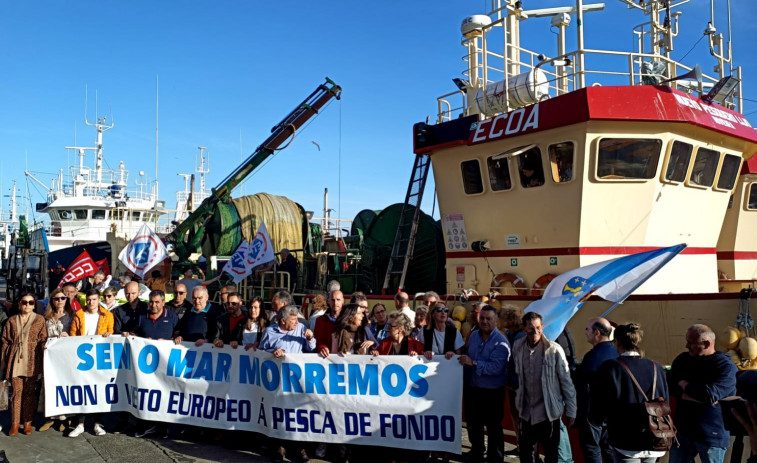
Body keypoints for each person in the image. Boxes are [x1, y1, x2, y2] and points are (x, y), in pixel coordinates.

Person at [596, 323, 670, 463]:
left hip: (626, 436)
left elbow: (600, 405)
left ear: (616, 342)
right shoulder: (657, 367)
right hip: (655, 434)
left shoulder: (611, 367)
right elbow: (665, 401)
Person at [512, 312, 577, 463]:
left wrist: (572, 410)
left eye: (538, 328)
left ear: (542, 327)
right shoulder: (518, 347)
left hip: (548, 413)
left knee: (551, 455)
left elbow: (566, 382)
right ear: (524, 328)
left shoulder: (554, 350)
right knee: (525, 455)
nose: (535, 332)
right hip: (527, 413)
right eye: (530, 328)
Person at [668, 324, 737, 463]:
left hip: (711, 434)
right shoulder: (683, 360)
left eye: (691, 343)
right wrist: (692, 394)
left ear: (706, 343)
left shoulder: (725, 367)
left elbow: (708, 395)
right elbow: (668, 384)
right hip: (683, 431)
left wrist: (683, 384)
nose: (687, 346)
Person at [258, 305, 316, 463]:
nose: (297, 322)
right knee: (278, 412)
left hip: (296, 381)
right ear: (283, 321)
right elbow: (261, 352)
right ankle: (279, 447)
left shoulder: (301, 329)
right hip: (276, 382)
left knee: (296, 414)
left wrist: (310, 338)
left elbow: (311, 350)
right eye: (293, 320)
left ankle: (298, 448)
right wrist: (272, 352)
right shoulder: (270, 332)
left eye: (297, 318)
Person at [458, 305, 510, 463]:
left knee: (494, 427)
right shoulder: (473, 335)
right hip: (473, 389)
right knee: (473, 424)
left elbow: (495, 368)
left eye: (489, 319)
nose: (485, 321)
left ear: (496, 321)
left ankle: (496, 457)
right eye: (482, 318)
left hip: (492, 392)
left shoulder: (501, 342)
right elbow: (466, 355)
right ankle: (477, 452)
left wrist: (473, 362)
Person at [133, 290, 178, 438]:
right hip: (147, 366)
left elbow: (179, 333)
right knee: (148, 395)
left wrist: (177, 337)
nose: (153, 305)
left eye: (157, 302)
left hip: (166, 365)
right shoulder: (142, 317)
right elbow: (135, 335)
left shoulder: (172, 317)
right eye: (151, 302)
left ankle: (165, 427)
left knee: (166, 394)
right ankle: (149, 425)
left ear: (163, 303)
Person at [68, 289, 114, 437]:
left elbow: (111, 333)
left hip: (99, 358)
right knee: (81, 390)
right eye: (89, 299)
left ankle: (97, 424)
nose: (91, 302)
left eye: (94, 299)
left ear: (99, 300)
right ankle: (80, 423)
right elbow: (73, 335)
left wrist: (109, 335)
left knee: (99, 390)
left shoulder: (107, 315)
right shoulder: (79, 315)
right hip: (83, 358)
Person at [1, 292, 47, 436]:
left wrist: (45, 346)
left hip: (32, 360)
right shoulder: (11, 320)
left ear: (34, 305)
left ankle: (27, 422)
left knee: (29, 393)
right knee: (16, 393)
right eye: (24, 302)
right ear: (19, 304)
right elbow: (5, 341)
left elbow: (43, 338)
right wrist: (3, 362)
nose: (27, 305)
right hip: (15, 360)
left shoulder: (40, 320)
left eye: (31, 302)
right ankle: (15, 423)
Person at [576, 318, 618, 463]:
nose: (585, 332)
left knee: (592, 448)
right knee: (609, 449)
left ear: (597, 333)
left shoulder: (592, 357)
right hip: (613, 412)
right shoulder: (616, 352)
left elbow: (581, 382)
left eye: (588, 329)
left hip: (593, 413)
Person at [39, 288, 72, 432]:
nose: (60, 301)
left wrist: (68, 336)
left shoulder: (72, 315)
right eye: (56, 298)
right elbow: (40, 336)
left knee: (64, 386)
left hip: (66, 357)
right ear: (52, 300)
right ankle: (50, 418)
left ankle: (65, 419)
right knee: (49, 386)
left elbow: (79, 335)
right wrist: (43, 345)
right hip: (50, 357)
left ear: (67, 299)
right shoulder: (46, 317)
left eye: (62, 298)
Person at [499, 304, 525, 458]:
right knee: (517, 416)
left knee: (519, 416)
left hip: (516, 384)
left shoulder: (518, 337)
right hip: (513, 382)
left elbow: (515, 361)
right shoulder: (513, 334)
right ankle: (521, 445)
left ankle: (523, 447)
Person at [314, 290, 344, 358]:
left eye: (338, 300)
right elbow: (318, 341)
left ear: (343, 301)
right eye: (333, 300)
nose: (335, 303)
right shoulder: (320, 320)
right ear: (329, 301)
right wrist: (322, 347)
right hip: (327, 359)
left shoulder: (349, 319)